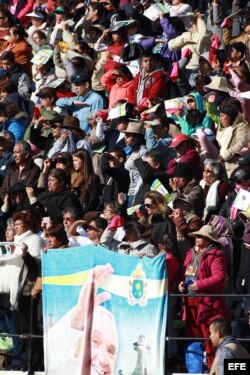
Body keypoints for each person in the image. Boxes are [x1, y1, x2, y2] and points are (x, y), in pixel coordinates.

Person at [45, 264, 118, 375]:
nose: (103, 360)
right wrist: (78, 318)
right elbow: (53, 354)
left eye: (110, 351)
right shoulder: (63, 360)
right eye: (95, 341)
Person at [178, 225, 228, 370]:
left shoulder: (215, 254)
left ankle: (214, 371)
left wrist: (199, 285)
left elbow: (219, 278)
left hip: (206, 304)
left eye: (200, 236)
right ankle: (195, 372)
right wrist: (180, 284)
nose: (197, 238)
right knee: (192, 338)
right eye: (196, 236)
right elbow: (185, 273)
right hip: (189, 302)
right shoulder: (189, 253)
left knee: (210, 341)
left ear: (208, 239)